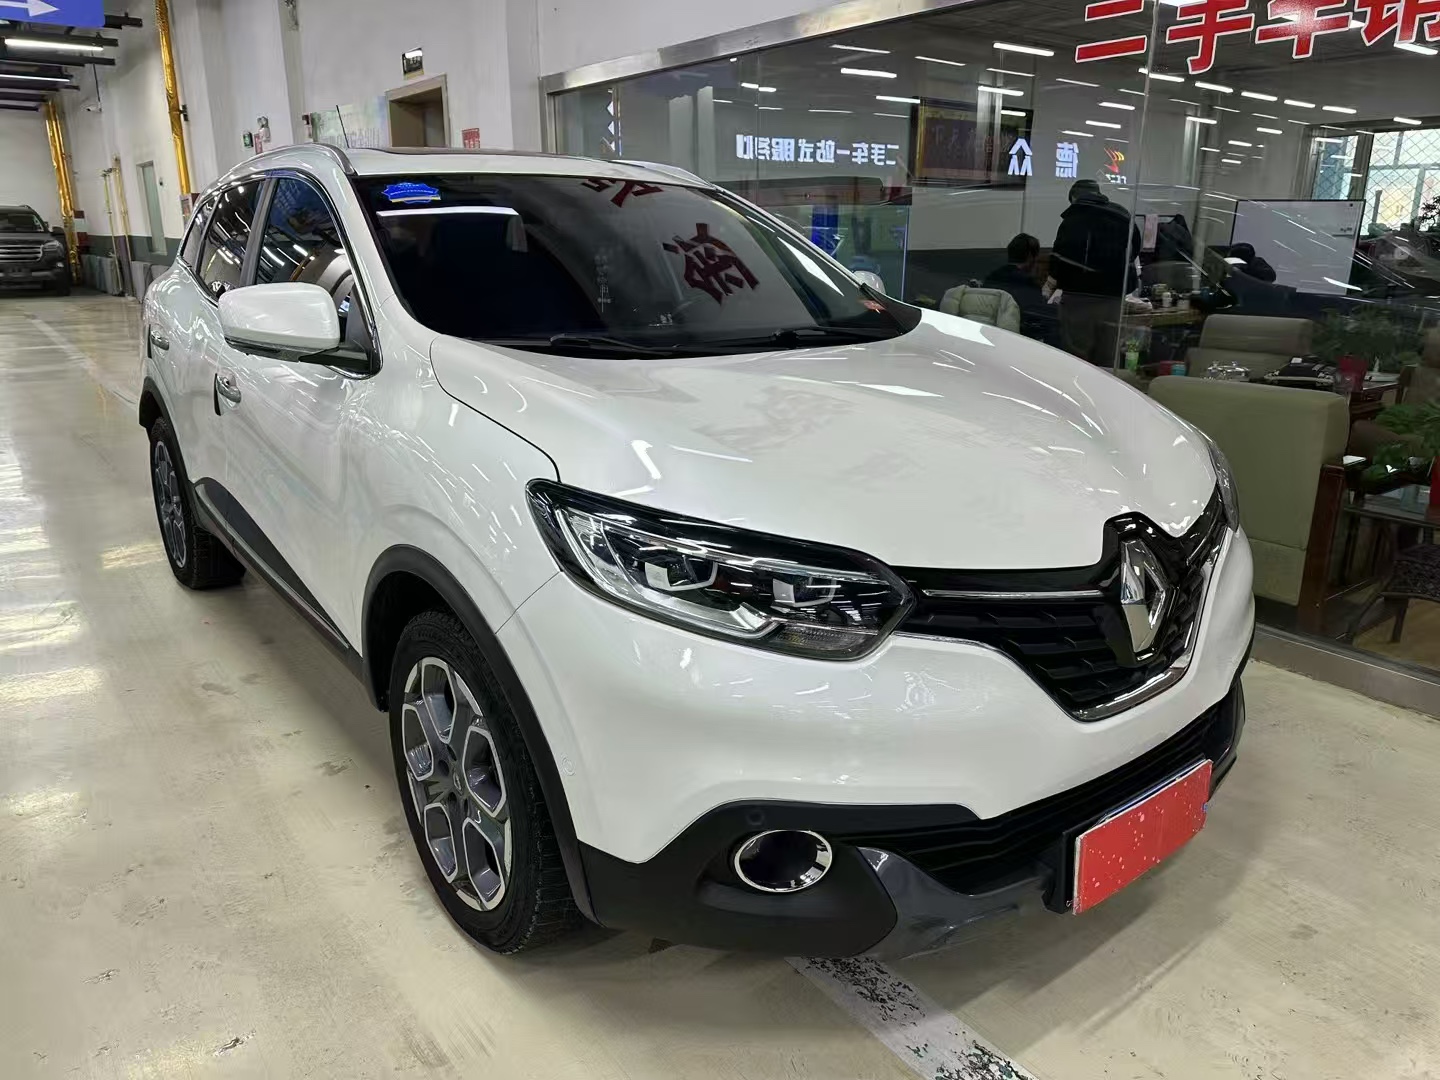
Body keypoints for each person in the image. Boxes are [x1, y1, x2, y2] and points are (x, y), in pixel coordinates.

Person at [1049, 179, 1143, 366]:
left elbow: (1060, 257)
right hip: (1113, 299)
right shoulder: (1122, 216)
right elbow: (1134, 250)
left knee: (1076, 358)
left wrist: (1053, 283)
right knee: (1107, 355)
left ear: (1074, 197)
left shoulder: (1073, 219)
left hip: (1078, 300)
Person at [984, 233, 1058, 344]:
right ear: (1030, 256)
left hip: (990, 334)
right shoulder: (1026, 283)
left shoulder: (991, 277)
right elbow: (1038, 315)